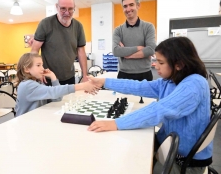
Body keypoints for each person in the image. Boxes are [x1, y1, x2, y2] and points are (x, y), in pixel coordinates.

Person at [88, 37, 211, 174]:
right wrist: (105, 82)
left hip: (185, 162)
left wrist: (116, 123)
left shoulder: (194, 84)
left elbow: (159, 109)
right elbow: (139, 86)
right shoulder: (170, 81)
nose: (155, 65)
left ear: (179, 64)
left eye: (160, 62)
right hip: (169, 145)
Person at [30, 0, 88, 85]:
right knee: (53, 100)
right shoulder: (45, 24)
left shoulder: (78, 26)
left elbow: (81, 52)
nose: (67, 12)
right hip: (48, 78)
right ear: (57, 7)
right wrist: (37, 72)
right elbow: (34, 51)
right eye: (63, 8)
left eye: (70, 9)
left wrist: (85, 75)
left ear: (74, 8)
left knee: (70, 100)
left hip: (69, 77)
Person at [15, 53, 99, 116]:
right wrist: (82, 86)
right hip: (25, 124)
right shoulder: (27, 85)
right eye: (38, 65)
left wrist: (53, 77)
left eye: (42, 65)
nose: (42, 68)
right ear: (26, 69)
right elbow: (53, 91)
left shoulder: (37, 83)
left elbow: (57, 98)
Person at [113, 0, 156, 81]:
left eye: (131, 5)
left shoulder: (148, 27)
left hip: (144, 75)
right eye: (125, 6)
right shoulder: (118, 30)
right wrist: (138, 48)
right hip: (124, 75)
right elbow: (116, 51)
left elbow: (151, 49)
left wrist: (127, 55)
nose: (128, 9)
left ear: (138, 5)